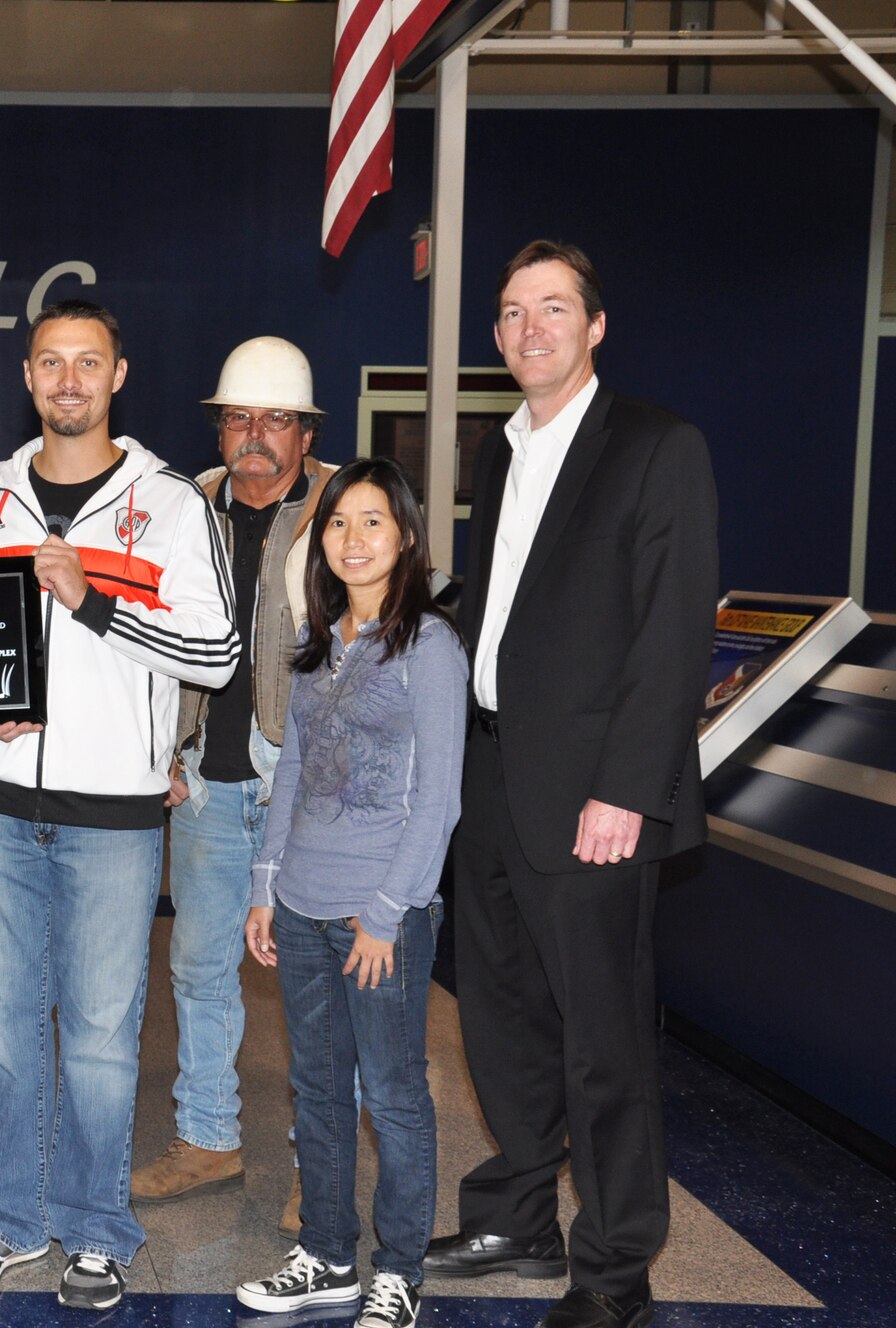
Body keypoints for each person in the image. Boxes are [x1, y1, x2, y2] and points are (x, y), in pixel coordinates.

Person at [421, 241, 718, 1328]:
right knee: (499, 1020)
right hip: (493, 775)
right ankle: (514, 1214)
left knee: (601, 1039)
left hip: (595, 795)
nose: (528, 327)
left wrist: (627, 790)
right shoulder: (501, 452)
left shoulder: (654, 446)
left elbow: (672, 631)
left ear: (595, 325)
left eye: (552, 308)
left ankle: (612, 1265)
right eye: (509, 311)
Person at [0, 300, 237, 1311]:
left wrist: (93, 603)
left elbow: (216, 652)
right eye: (51, 363)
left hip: (112, 809)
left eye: (87, 363)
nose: (68, 380)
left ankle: (96, 1228)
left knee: (103, 1031)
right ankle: (11, 1217)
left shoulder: (171, 503)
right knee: (2, 1024)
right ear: (28, 375)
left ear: (117, 375)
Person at [234, 457, 466, 1328]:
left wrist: (386, 913)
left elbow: (439, 799)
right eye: (338, 523)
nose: (353, 539)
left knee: (395, 1095)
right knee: (319, 1089)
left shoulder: (430, 646)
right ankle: (326, 1255)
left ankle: (398, 1269)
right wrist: (266, 885)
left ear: (405, 535)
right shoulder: (318, 644)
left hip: (382, 917)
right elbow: (291, 771)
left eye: (373, 522)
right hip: (300, 908)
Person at [136, 336, 337, 1210]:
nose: (256, 433)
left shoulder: (348, 508)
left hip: (309, 791)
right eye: (240, 418)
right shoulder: (181, 508)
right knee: (200, 968)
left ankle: (316, 1169)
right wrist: (160, 755)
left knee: (317, 983)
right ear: (220, 429)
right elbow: (142, 638)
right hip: (207, 788)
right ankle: (208, 1139)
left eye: (277, 419)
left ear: (304, 433)